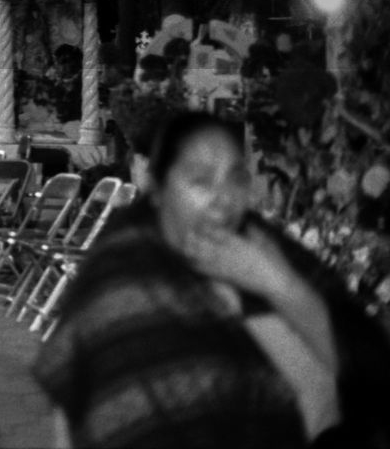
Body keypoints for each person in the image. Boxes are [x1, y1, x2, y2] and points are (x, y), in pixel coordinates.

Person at [32, 112, 390, 449]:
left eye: (235, 178)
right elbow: (76, 385)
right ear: (158, 187)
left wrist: (278, 284)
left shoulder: (262, 252)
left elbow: (342, 384)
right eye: (201, 181)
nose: (223, 198)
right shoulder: (122, 266)